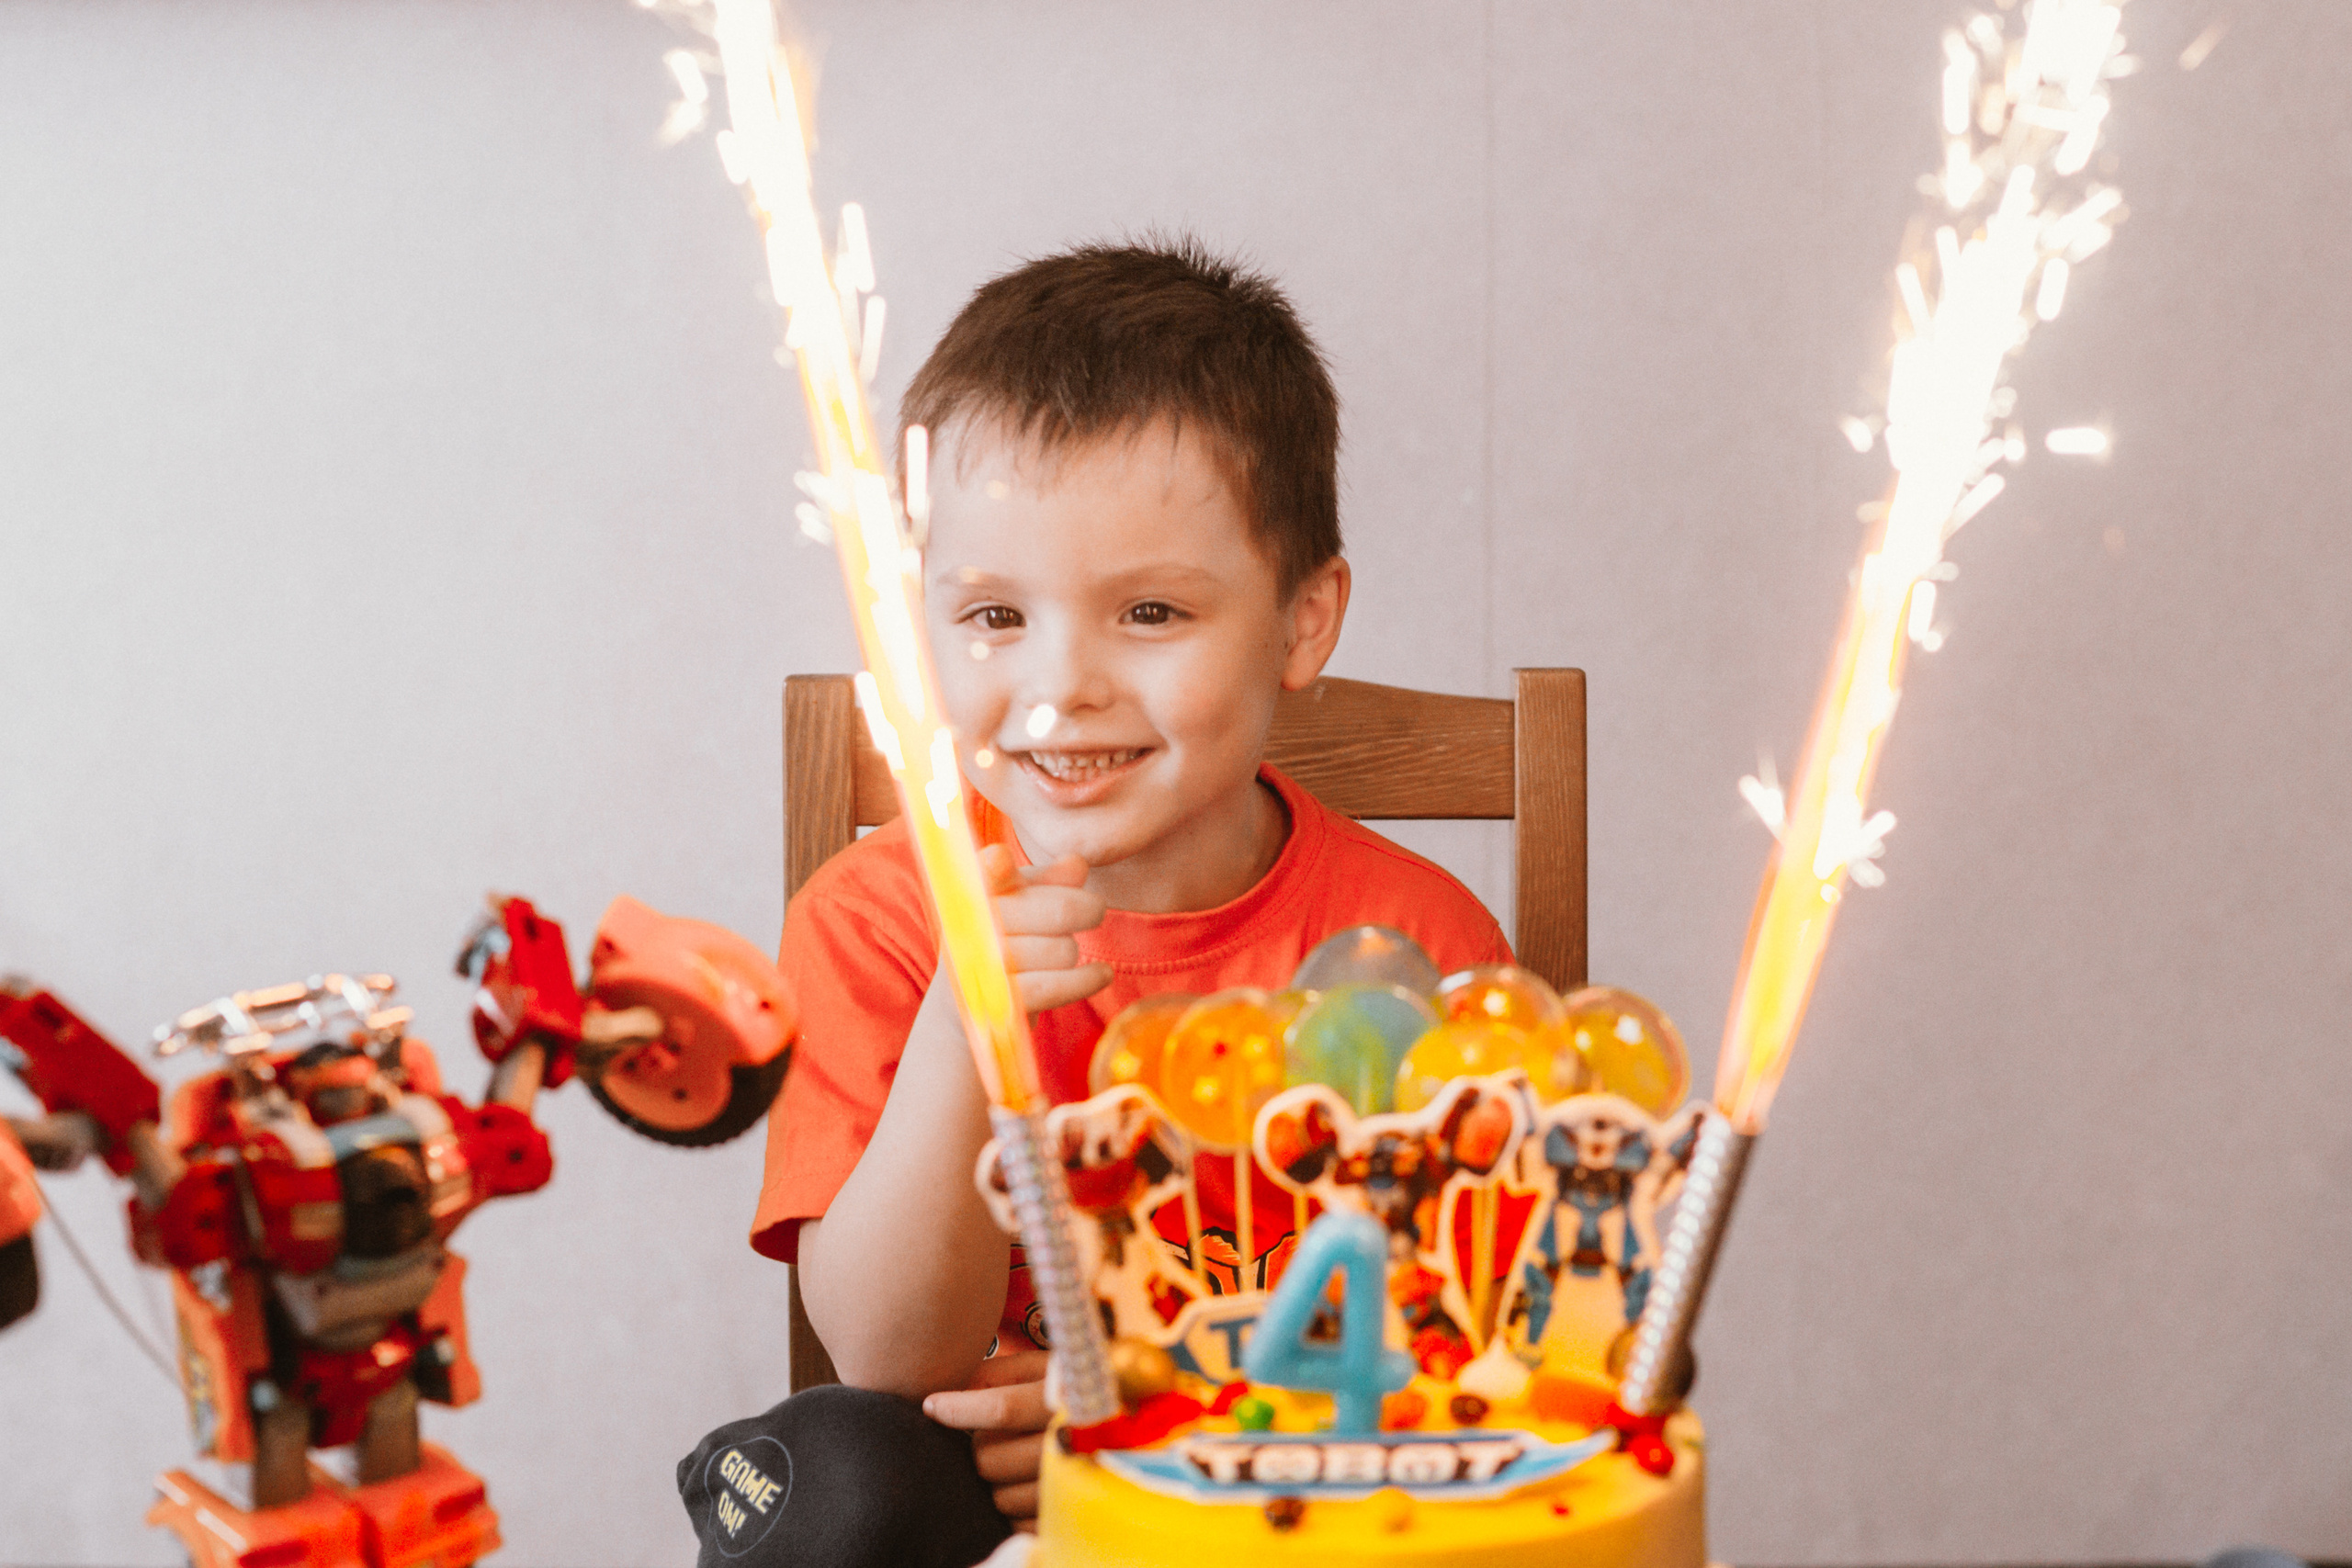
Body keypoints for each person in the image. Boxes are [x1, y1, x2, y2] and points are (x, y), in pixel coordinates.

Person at [684, 238, 1510, 1568]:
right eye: (996, 617)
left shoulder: (1413, 948)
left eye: (1150, 610)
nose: (1062, 687)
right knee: (829, 1475)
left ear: (1304, 621)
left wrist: (1141, 1420)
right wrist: (972, 1015)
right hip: (976, 1501)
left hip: (1291, 1507)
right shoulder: (877, 921)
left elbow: (1467, 1350)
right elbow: (890, 1356)